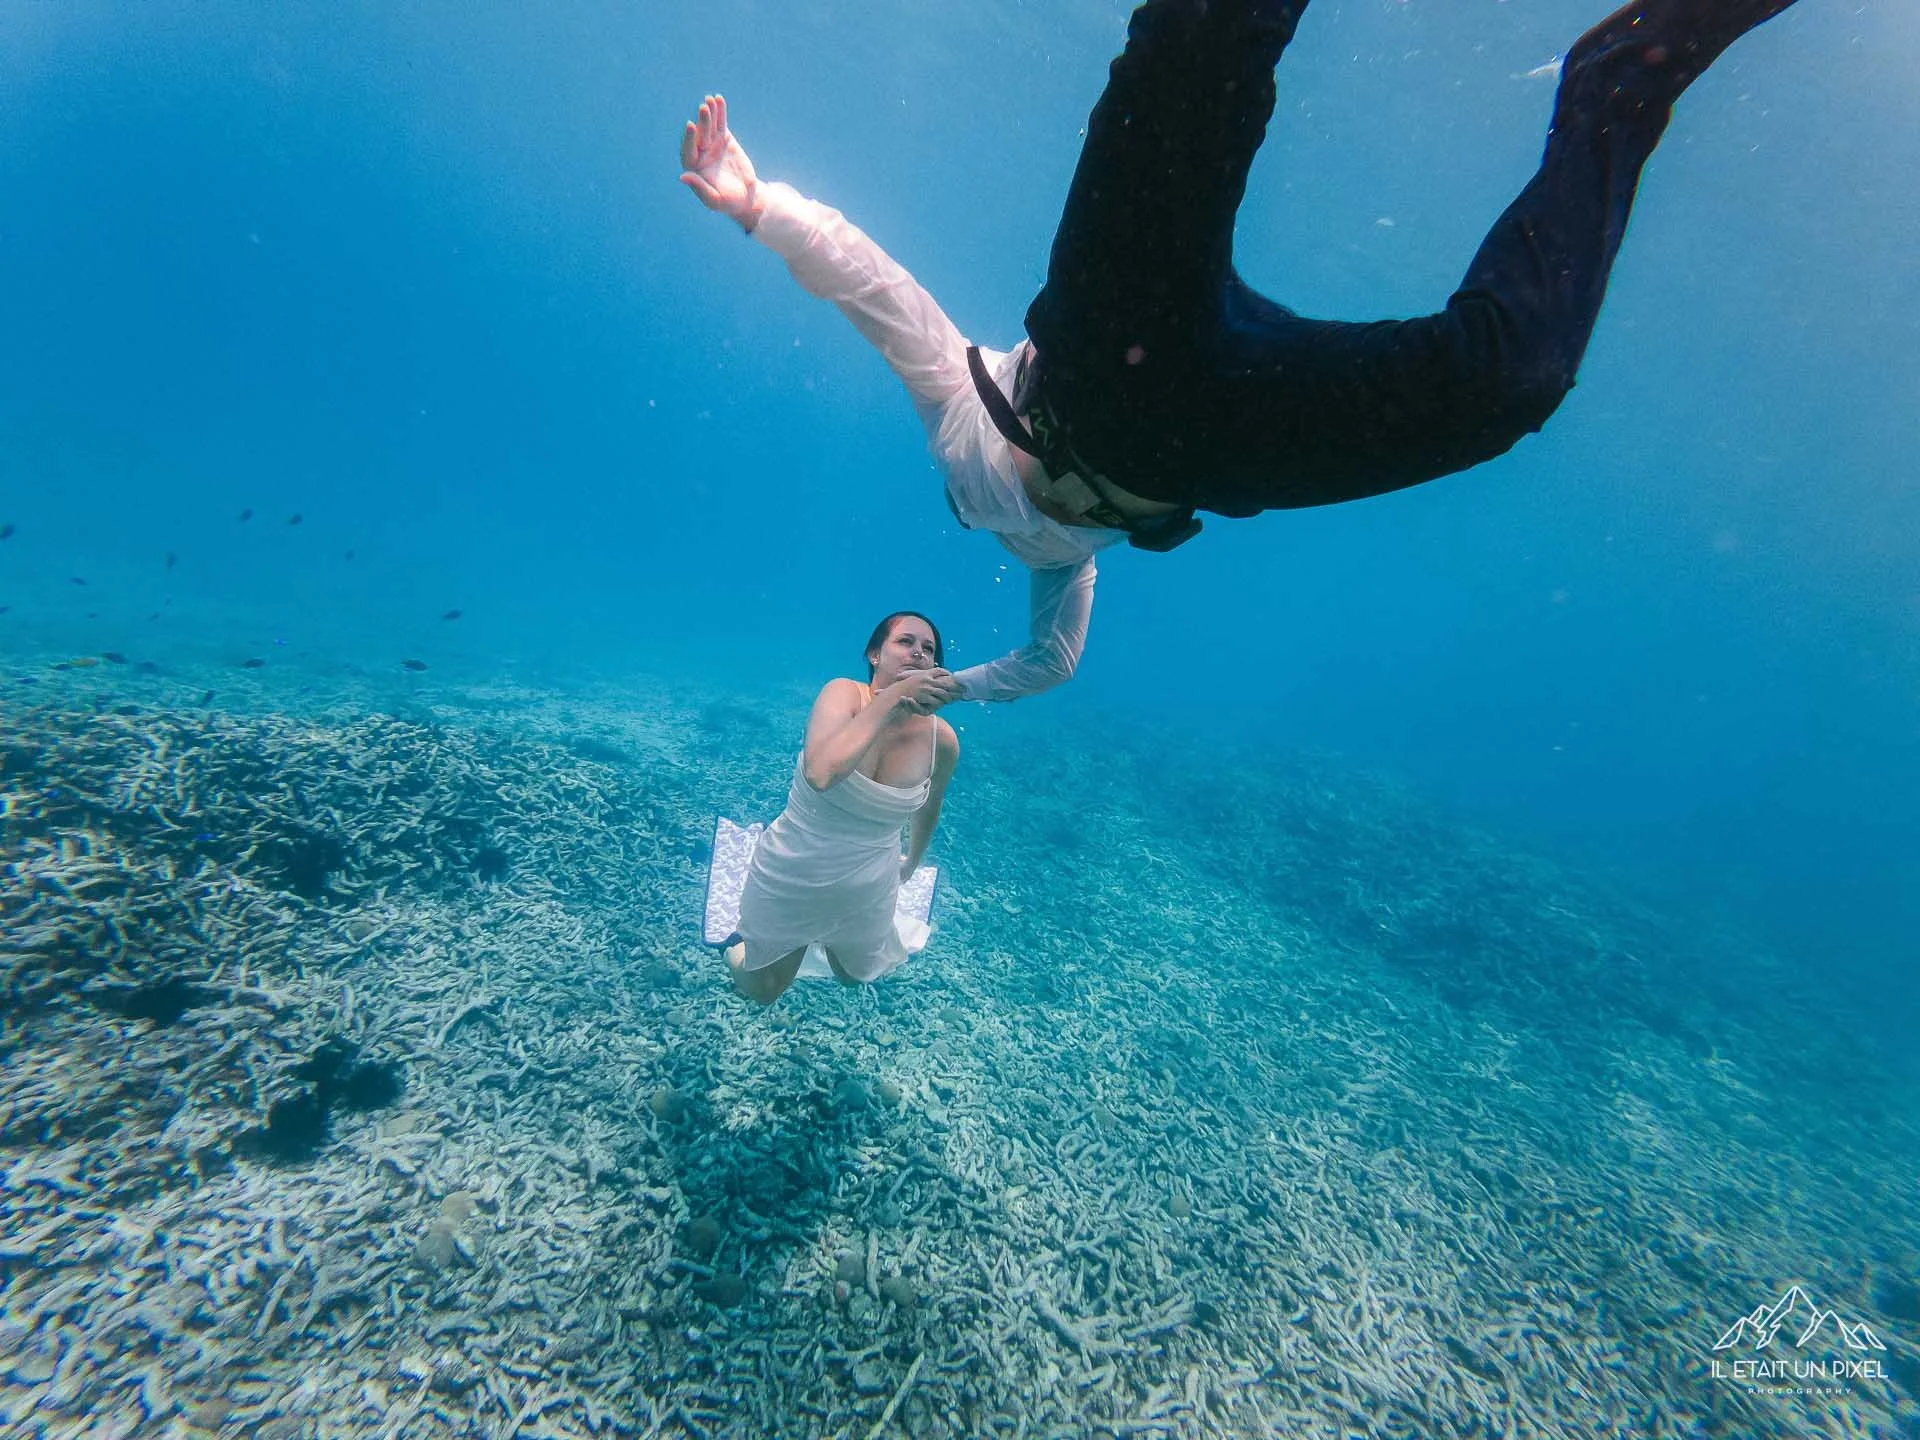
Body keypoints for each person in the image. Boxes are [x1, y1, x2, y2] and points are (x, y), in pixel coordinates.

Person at [679, 0, 1805, 703]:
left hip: (1098, 355)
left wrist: (760, 206)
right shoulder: (1063, 572)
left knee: (1200, 52)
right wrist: (951, 692)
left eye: (916, 649)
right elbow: (1053, 664)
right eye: (917, 648)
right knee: (1511, 383)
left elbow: (878, 292)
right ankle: (1621, 81)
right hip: (1222, 447)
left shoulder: (956, 433)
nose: (920, 651)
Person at [726, 612, 961, 1006]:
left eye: (928, 649)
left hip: (870, 879)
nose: (918, 653)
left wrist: (913, 861)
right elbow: (821, 773)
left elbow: (929, 806)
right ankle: (734, 947)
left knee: (854, 976)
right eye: (905, 642)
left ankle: (815, 940)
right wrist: (894, 698)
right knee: (764, 990)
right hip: (796, 865)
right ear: (874, 654)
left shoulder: (944, 741)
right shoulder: (843, 694)